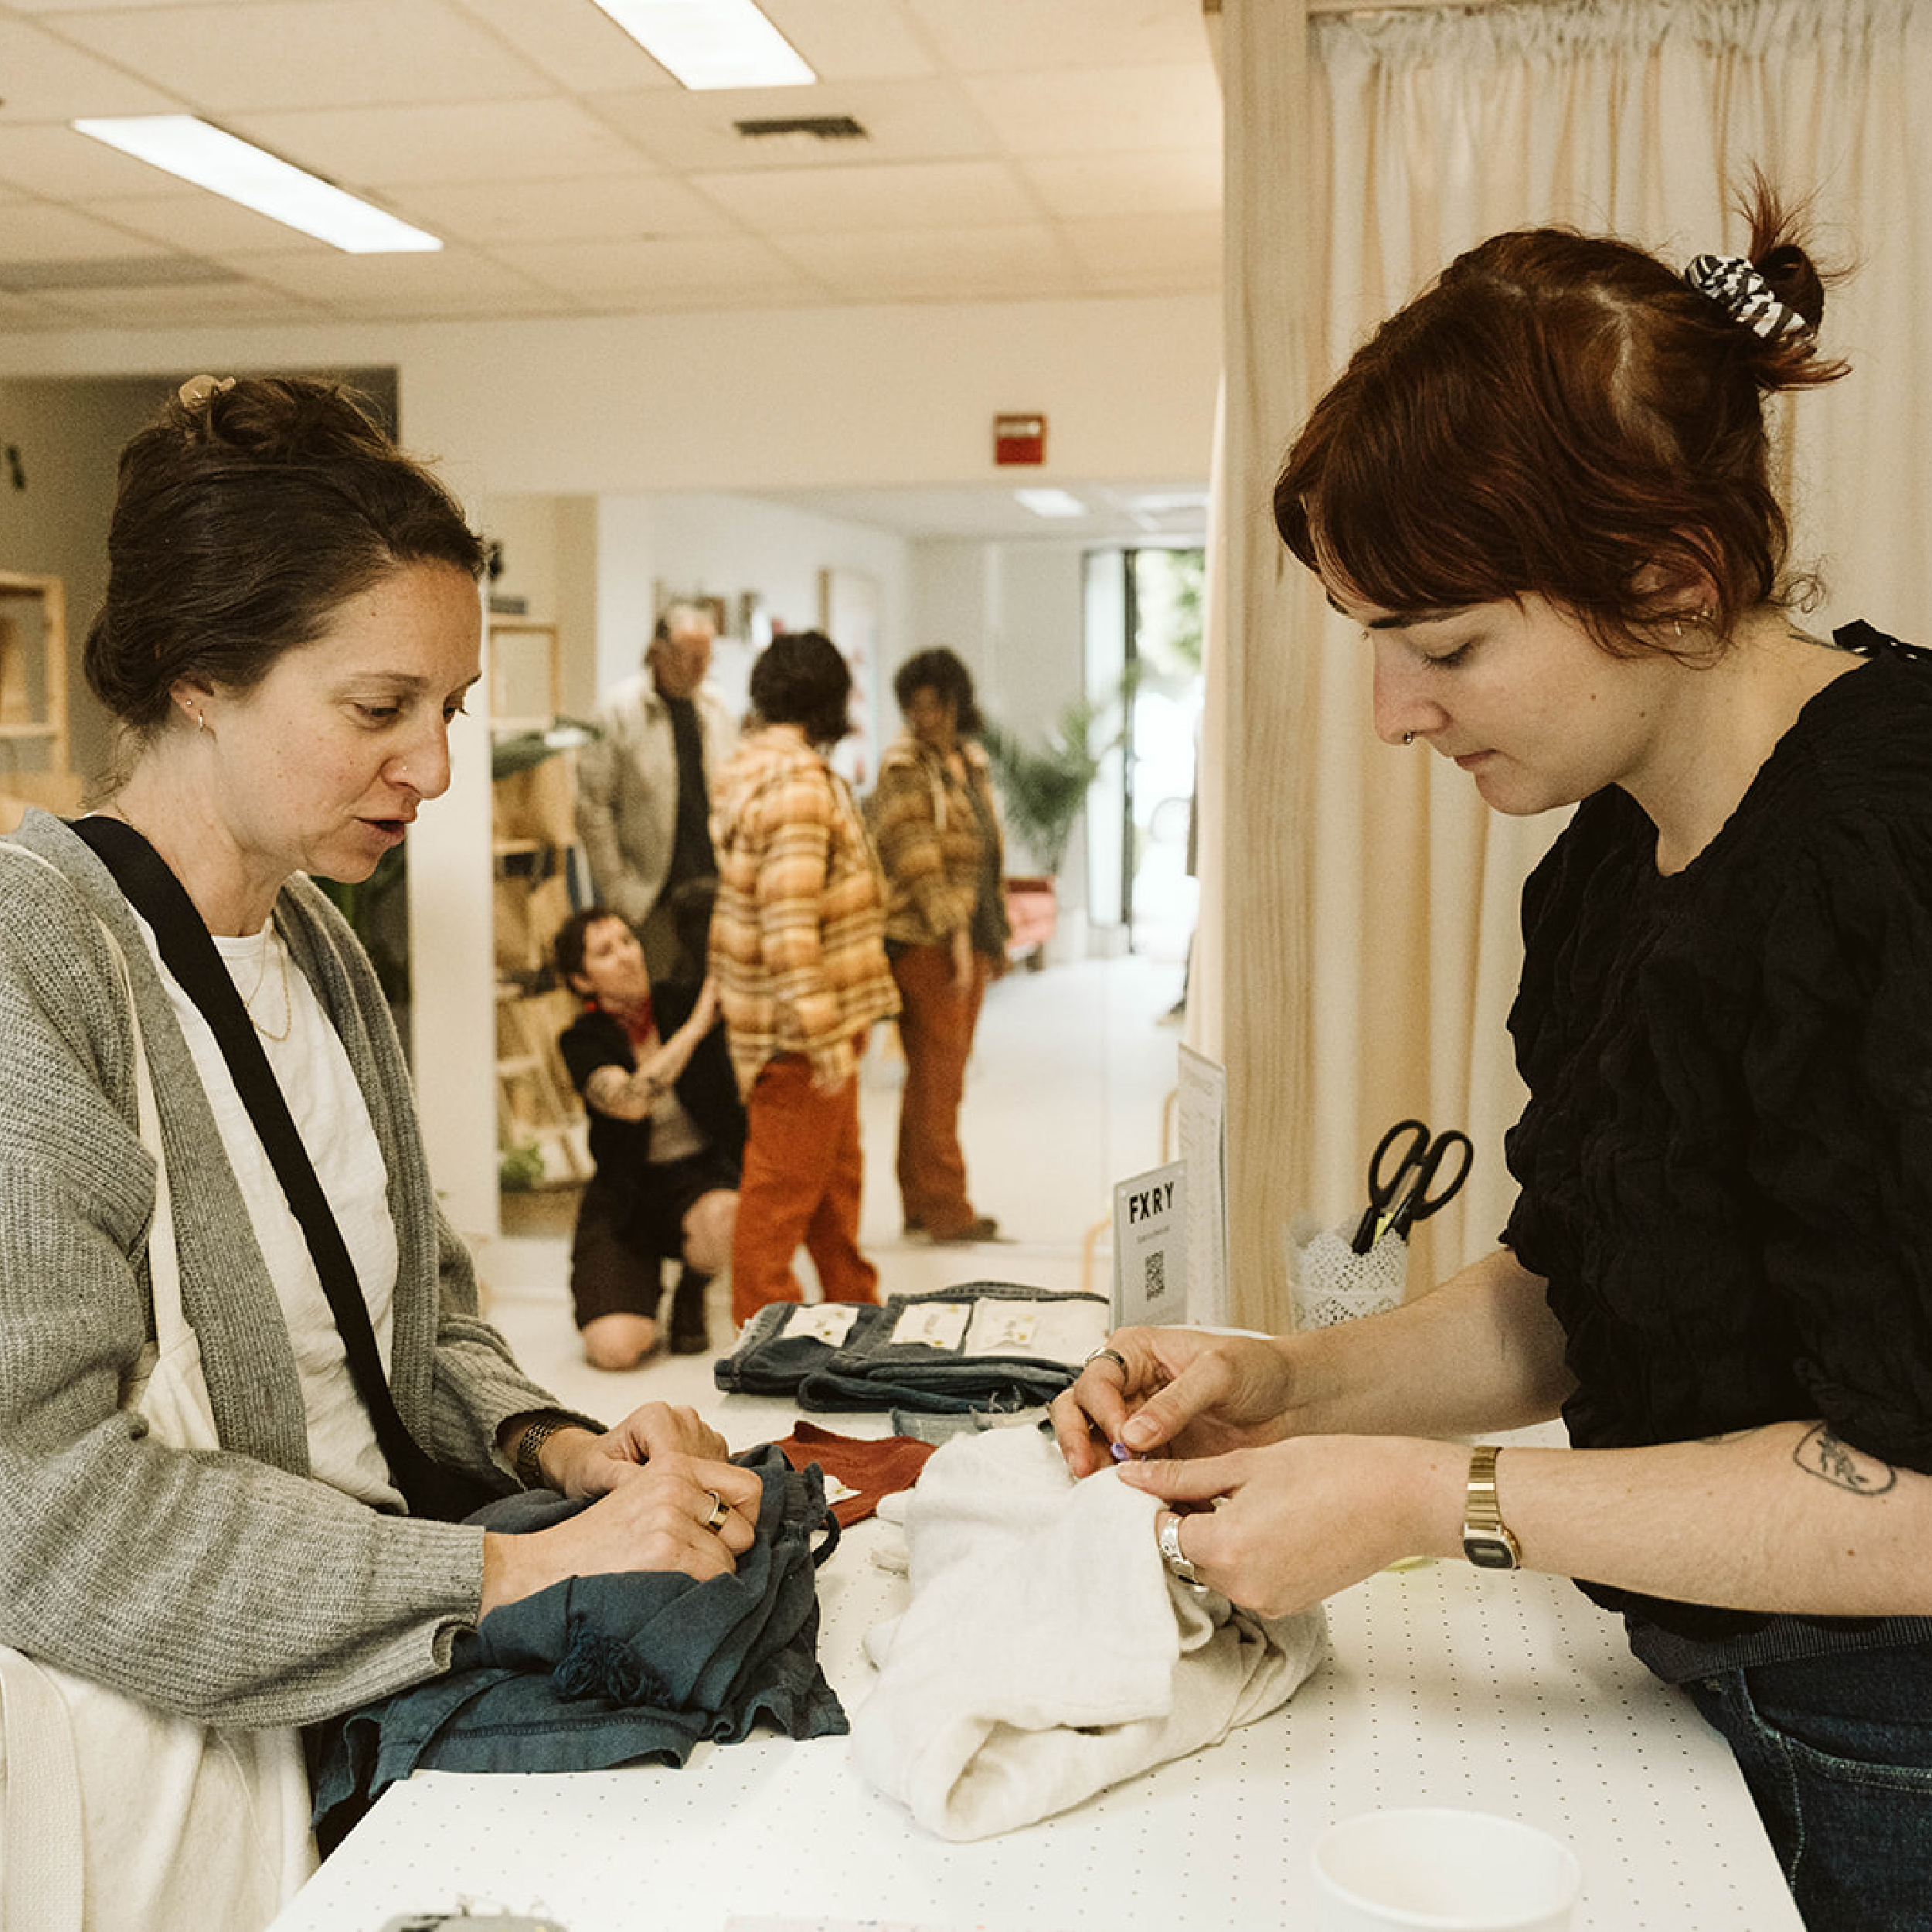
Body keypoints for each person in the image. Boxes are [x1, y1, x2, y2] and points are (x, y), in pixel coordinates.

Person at [1051, 184, 1932, 1928]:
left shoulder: (1888, 858)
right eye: (1375, 641)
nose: (1394, 711)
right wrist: (1289, 1382)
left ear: (1673, 577)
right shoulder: (1610, 857)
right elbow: (1571, 1291)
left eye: (1445, 643)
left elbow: (1910, 1497)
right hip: (1691, 1681)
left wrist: (1417, 1498)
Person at [0, 375, 760, 1927]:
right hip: (174, 1765)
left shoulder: (318, 951)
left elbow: (417, 1330)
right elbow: (45, 1505)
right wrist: (506, 1574)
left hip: (370, 1672)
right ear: (200, 671)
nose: (432, 764)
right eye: (377, 708)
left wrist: (561, 1451)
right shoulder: (36, 962)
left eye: (450, 710)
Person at [710, 629, 899, 1328]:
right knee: (782, 1193)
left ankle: (859, 1313)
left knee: (830, 1185)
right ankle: (761, 1343)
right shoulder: (796, 788)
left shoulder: (759, 773)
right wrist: (822, 1040)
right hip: (800, 1033)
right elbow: (788, 926)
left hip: (809, 1027)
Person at [554, 904, 743, 1366]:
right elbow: (630, 1102)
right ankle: (639, 1291)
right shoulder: (582, 1039)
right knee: (615, 1351)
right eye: (605, 951)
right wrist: (698, 1027)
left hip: (699, 1177)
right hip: (625, 1192)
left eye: (628, 941)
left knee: (726, 1214)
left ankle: (692, 1291)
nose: (626, 956)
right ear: (582, 981)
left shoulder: (678, 1001)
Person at [868, 647, 1009, 1243]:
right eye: (915, 707)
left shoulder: (967, 761)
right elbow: (916, 858)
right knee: (940, 1079)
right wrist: (954, 935)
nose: (925, 718)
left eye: (936, 705)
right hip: (926, 941)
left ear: (956, 704)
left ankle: (922, 1204)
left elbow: (985, 851)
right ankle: (947, 1208)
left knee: (932, 1077)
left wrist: (989, 935)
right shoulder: (903, 766)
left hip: (967, 937)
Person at [575, 598, 739, 984]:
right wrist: (618, 890)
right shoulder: (619, 710)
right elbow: (592, 807)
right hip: (652, 897)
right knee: (661, 1002)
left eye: (707, 657)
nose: (700, 668)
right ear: (658, 652)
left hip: (717, 888)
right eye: (689, 656)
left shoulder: (716, 707)